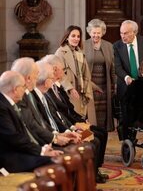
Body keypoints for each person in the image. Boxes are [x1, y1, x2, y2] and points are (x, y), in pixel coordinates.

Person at [42, 54, 109, 183]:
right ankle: (91, 175)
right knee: (95, 139)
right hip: (67, 128)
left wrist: (83, 121)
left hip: (72, 124)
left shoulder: (58, 87)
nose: (64, 72)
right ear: (55, 69)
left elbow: (70, 110)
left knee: (101, 132)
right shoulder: (48, 91)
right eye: (63, 69)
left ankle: (96, 170)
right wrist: (73, 129)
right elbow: (58, 116)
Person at [0, 70, 63, 173]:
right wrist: (41, 151)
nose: (25, 90)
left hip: (19, 151)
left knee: (58, 158)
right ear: (15, 89)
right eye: (23, 87)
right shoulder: (2, 106)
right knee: (55, 162)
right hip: (8, 158)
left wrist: (41, 148)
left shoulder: (7, 103)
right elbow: (13, 137)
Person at [11, 57, 74, 147]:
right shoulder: (21, 97)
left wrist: (56, 135)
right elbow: (31, 126)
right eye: (36, 74)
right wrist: (52, 141)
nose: (38, 78)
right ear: (28, 78)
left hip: (43, 141)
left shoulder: (28, 94)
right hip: (36, 146)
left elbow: (40, 121)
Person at [55, 25, 95, 123]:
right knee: (74, 120)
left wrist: (90, 86)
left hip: (82, 90)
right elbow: (59, 74)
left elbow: (85, 73)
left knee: (82, 119)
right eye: (73, 36)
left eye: (78, 36)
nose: (76, 38)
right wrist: (70, 88)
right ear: (67, 37)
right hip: (69, 92)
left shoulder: (79, 52)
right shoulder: (61, 52)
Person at [113, 20, 143, 100]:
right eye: (121, 33)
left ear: (134, 32)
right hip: (126, 87)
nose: (122, 36)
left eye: (125, 33)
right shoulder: (116, 46)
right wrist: (127, 77)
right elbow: (117, 67)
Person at [84, 19, 115, 131]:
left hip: (105, 86)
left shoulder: (109, 46)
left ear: (103, 32)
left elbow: (113, 66)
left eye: (98, 33)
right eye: (94, 32)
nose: (96, 35)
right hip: (89, 85)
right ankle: (91, 140)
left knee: (103, 117)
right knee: (90, 116)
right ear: (89, 32)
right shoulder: (83, 45)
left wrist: (113, 85)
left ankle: (102, 140)